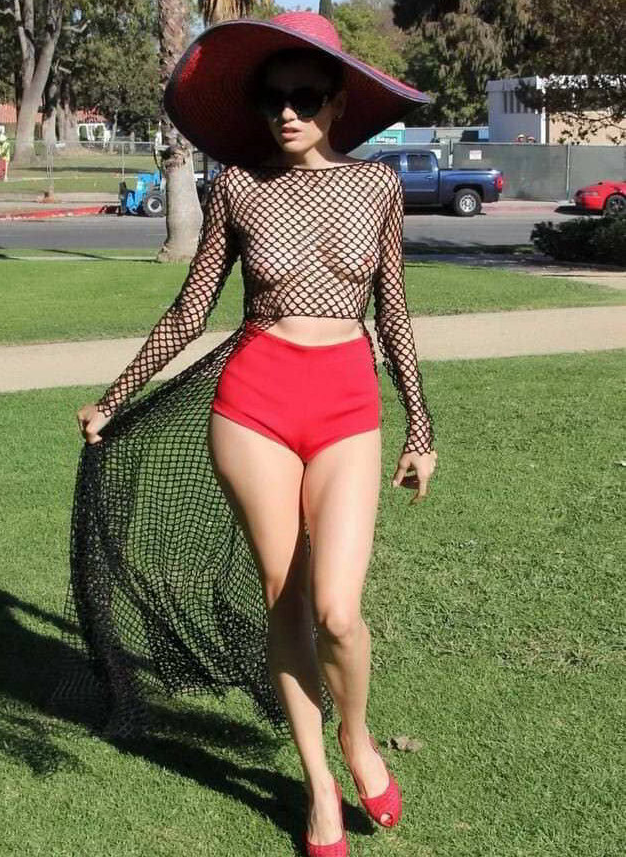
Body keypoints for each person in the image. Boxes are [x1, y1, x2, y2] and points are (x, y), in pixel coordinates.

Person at [70, 11, 437, 855]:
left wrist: (420, 426)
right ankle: (318, 785)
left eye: (304, 96)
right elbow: (191, 309)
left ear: (338, 102)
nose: (287, 112)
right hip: (254, 404)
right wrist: (114, 397)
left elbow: (393, 314)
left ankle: (355, 735)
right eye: (273, 99)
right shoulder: (236, 185)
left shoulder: (377, 188)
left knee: (338, 609)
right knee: (287, 595)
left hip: (347, 404)